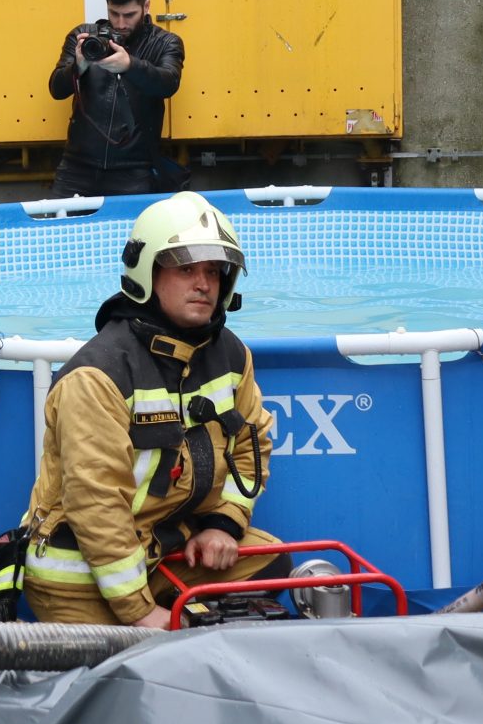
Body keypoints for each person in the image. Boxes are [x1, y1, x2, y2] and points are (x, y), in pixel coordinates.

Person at [16, 192, 284, 628]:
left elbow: (252, 451)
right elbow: (96, 504)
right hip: (79, 576)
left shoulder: (232, 356)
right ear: (148, 273)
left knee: (280, 567)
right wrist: (142, 615)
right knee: (131, 675)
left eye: (214, 271)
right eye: (186, 268)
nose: (204, 283)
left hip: (166, 552)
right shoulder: (98, 374)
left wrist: (223, 524)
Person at [47, 0, 188, 197]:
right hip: (77, 167)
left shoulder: (167, 43)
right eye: (114, 14)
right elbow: (56, 89)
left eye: (129, 15)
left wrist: (130, 66)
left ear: (146, 6)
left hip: (133, 171)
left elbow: (168, 82)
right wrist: (78, 67)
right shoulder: (84, 36)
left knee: (133, 234)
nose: (121, 24)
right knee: (58, 232)